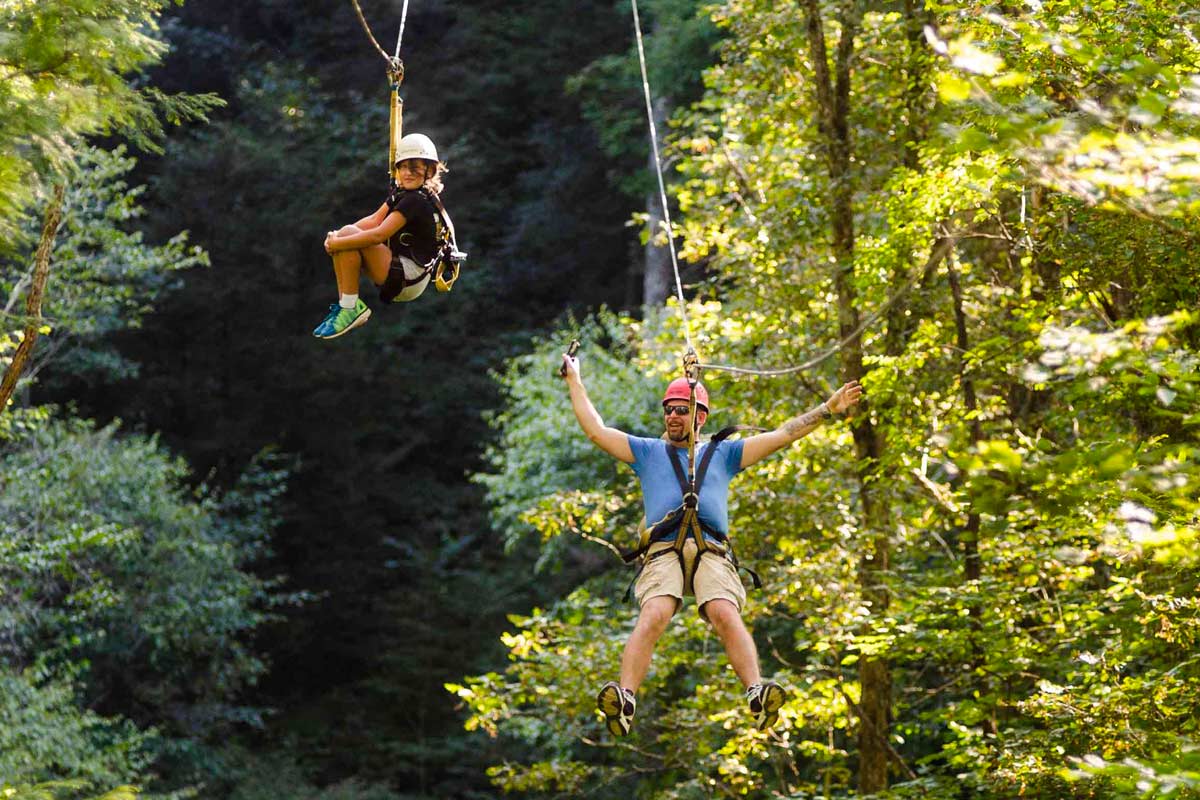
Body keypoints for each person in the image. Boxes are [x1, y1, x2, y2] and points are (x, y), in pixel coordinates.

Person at [560, 352, 863, 735]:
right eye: (669, 410)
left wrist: (827, 410)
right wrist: (575, 379)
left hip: (712, 552)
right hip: (663, 551)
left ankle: (756, 692)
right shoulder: (648, 453)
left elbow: (782, 435)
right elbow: (596, 431)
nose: (673, 417)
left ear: (699, 417)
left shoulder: (725, 454)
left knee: (723, 611)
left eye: (681, 411)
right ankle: (625, 699)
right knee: (654, 614)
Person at [313, 132, 447, 339]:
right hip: (402, 272)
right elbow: (374, 220)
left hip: (409, 277)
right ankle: (346, 306)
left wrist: (338, 242)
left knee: (347, 240)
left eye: (414, 167)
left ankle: (350, 308)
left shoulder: (416, 201)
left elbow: (378, 235)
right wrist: (337, 236)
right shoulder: (404, 194)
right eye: (402, 167)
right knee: (347, 235)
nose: (407, 173)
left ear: (429, 170)